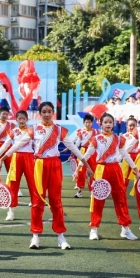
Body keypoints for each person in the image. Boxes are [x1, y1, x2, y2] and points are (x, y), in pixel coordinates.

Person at [29, 101, 88, 250]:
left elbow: (71, 146)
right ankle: (35, 236)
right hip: (39, 166)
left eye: (49, 111)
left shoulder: (59, 130)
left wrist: (83, 160)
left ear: (53, 113)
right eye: (44, 112)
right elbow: (17, 144)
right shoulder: (34, 129)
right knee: (37, 201)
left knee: (56, 201)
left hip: (55, 166)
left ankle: (61, 236)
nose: (47, 114)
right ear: (40, 114)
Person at [82, 112, 140, 241]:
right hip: (101, 170)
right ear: (100, 124)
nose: (108, 124)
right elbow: (87, 154)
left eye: (110, 122)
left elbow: (125, 155)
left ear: (113, 124)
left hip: (116, 170)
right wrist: (80, 168)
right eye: (105, 122)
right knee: (97, 200)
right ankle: (94, 229)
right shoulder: (96, 139)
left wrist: (135, 168)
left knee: (121, 199)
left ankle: (125, 229)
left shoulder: (118, 139)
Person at [0, 110, 39, 222]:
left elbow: (38, 144)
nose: (21, 121)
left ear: (27, 119)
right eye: (19, 119)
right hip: (16, 158)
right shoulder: (13, 131)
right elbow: (5, 146)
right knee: (13, 184)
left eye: (23, 119)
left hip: (29, 158)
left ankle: (36, 208)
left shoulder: (32, 131)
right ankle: (11, 211)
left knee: (33, 183)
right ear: (16, 120)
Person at [73, 114, 99, 197]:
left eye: (89, 122)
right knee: (80, 171)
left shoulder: (96, 132)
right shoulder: (81, 131)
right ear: (84, 123)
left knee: (93, 171)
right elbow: (78, 142)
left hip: (92, 152)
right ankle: (79, 191)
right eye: (86, 122)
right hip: (83, 151)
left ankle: (93, 191)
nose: (88, 124)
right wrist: (73, 150)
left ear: (92, 123)